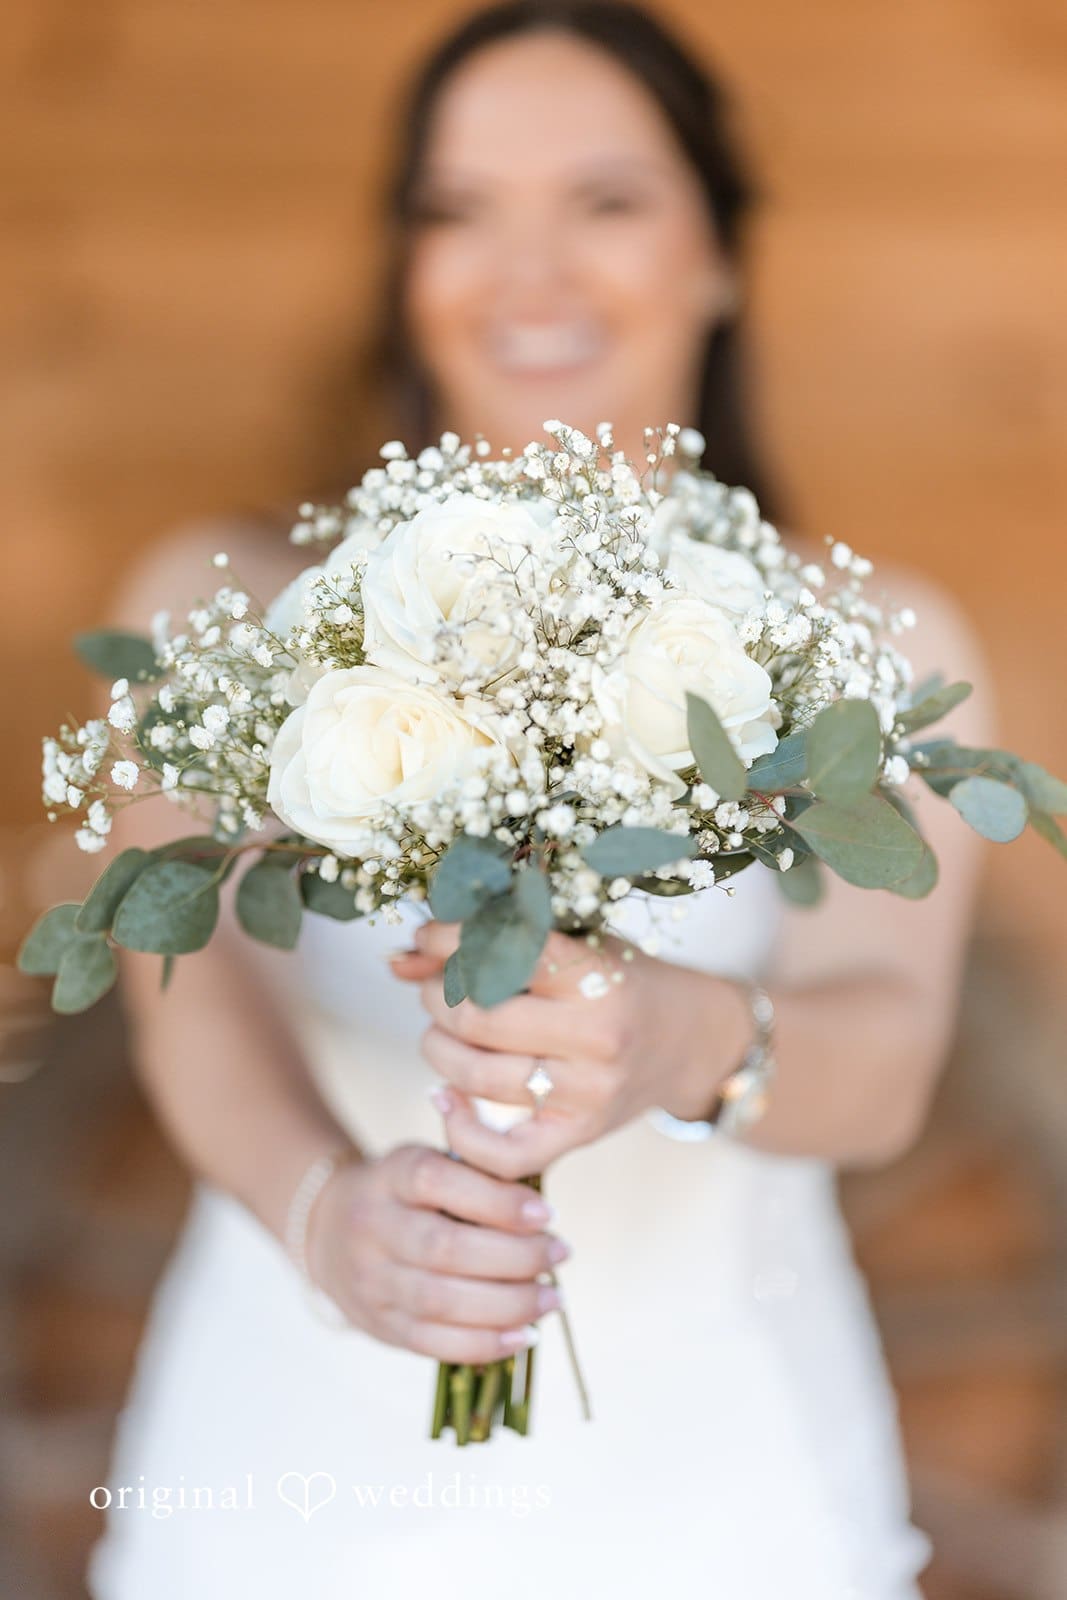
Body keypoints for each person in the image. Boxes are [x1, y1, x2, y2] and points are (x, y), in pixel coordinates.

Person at [86, 4, 993, 1596]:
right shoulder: (227, 608)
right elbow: (186, 987)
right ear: (402, 259)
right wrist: (322, 1213)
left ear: (719, 250)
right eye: (457, 209)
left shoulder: (877, 644)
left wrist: (672, 1036)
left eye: (606, 199)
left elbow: (889, 1051)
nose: (528, 273)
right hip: (292, 1462)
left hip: (720, 1483)